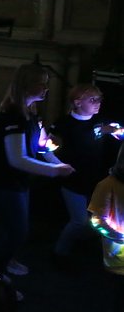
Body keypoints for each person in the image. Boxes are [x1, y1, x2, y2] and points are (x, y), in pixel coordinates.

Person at [0, 64, 73, 299]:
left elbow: (41, 147)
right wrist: (54, 171)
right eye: (42, 83)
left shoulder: (32, 113)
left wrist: (57, 163)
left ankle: (1, 260)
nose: (46, 88)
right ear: (26, 85)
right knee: (18, 231)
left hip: (18, 182)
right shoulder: (13, 115)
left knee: (10, 226)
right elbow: (17, 159)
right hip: (4, 182)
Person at [52, 84, 123, 265]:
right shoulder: (64, 124)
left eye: (99, 99)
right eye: (92, 99)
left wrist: (116, 131)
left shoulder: (100, 121)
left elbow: (116, 131)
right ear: (77, 102)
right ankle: (60, 252)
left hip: (95, 181)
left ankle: (82, 245)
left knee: (94, 219)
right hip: (72, 180)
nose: (98, 103)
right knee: (79, 221)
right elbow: (50, 146)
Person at [87, 145, 124, 312]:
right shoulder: (107, 185)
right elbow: (96, 220)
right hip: (117, 263)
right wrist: (118, 236)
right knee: (114, 310)